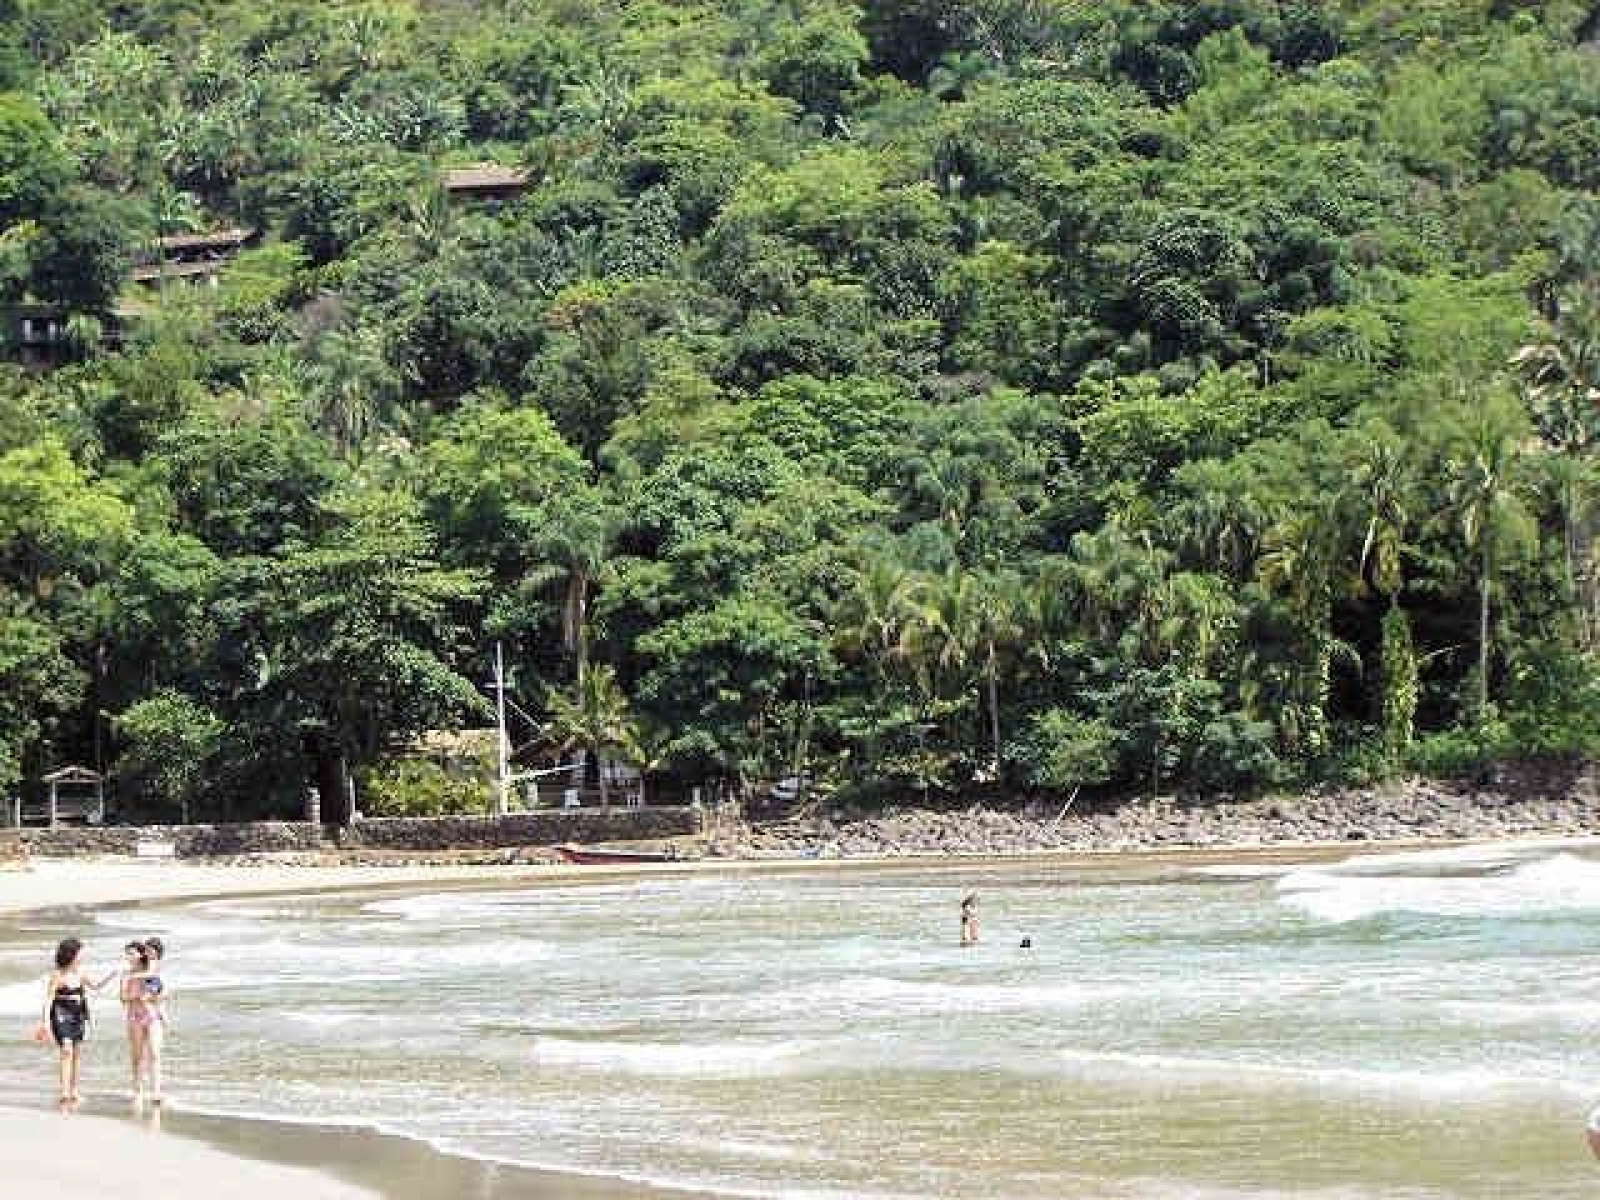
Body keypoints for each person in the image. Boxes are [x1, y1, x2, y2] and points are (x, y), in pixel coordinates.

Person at [35, 938, 109, 1108]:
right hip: (61, 1014)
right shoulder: (57, 975)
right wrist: (45, 1023)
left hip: (78, 1015)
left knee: (76, 1053)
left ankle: (74, 1090)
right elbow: (49, 1000)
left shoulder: (80, 973)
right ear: (71, 954)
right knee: (66, 1050)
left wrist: (112, 975)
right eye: (80, 953)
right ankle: (64, 1092)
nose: (82, 956)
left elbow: (96, 986)